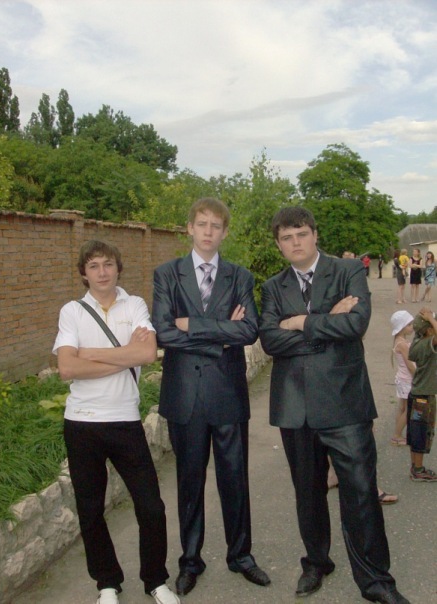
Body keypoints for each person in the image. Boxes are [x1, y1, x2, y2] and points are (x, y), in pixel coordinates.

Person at [259, 206, 409, 604]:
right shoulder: (273, 287)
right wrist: (327, 320)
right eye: (287, 238)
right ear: (279, 245)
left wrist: (299, 322)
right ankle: (316, 562)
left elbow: (355, 324)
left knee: (360, 494)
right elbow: (270, 340)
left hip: (345, 403)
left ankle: (376, 582)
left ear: (315, 234)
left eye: (301, 234)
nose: (295, 242)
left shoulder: (348, 271)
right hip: (295, 407)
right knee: (308, 495)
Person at [152, 198, 270, 597]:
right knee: (189, 483)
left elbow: (249, 331)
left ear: (224, 232)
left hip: (227, 393)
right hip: (184, 395)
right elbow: (163, 332)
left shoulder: (239, 277)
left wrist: (193, 325)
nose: (207, 231)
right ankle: (190, 561)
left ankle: (241, 556)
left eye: (215, 225)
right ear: (189, 228)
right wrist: (219, 335)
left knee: (235, 479)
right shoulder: (167, 274)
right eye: (201, 224)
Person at [53, 240, 179, 604]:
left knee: (151, 507)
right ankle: (107, 584)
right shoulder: (72, 311)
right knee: (91, 510)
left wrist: (90, 354)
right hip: (81, 423)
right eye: (94, 266)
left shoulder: (135, 304)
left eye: (108, 264)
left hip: (125, 420)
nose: (102, 272)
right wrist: (125, 355)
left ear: (118, 268)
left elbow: (148, 353)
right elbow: (67, 367)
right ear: (84, 273)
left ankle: (155, 580)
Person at [407, 308, 437, 482]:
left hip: (416, 393)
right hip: (424, 398)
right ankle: (418, 470)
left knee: (415, 432)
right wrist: (431, 319)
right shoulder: (428, 344)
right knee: (422, 433)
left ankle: (415, 466)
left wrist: (426, 318)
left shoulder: (417, 342)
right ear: (429, 330)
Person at [390, 311, 415, 446]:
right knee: (408, 410)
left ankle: (398, 433)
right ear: (401, 327)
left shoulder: (399, 341)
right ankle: (397, 435)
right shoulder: (402, 344)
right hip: (407, 380)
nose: (412, 327)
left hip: (403, 379)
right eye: (409, 325)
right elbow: (410, 365)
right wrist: (418, 376)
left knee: (403, 408)